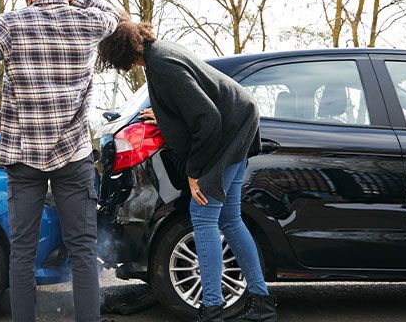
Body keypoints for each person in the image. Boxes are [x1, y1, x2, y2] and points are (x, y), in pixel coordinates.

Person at [0, 0, 120, 322]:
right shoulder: (88, 21)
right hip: (73, 154)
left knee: (23, 251)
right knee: (82, 249)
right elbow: (116, 15)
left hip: (23, 154)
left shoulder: (11, 24)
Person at [96, 19, 277, 322]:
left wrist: (195, 172)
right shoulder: (160, 54)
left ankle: (211, 309)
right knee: (230, 220)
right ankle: (262, 303)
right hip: (238, 125)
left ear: (119, 52)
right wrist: (165, 115)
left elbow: (207, 119)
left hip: (228, 133)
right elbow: (192, 104)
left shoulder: (163, 65)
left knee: (204, 218)